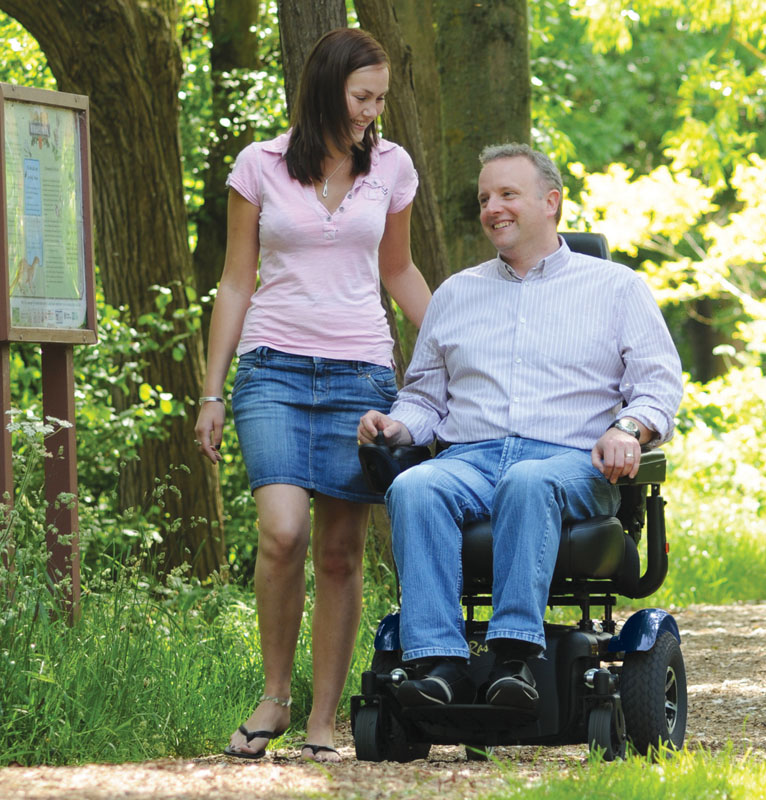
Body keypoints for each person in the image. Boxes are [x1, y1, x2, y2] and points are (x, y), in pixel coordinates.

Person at [358, 143, 682, 710]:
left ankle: (516, 660)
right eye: (485, 198)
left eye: (508, 194)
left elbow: (659, 387)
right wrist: (396, 425)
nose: (493, 208)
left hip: (572, 461)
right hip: (471, 459)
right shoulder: (457, 293)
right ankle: (439, 666)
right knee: (414, 485)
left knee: (528, 480)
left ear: (551, 202)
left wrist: (627, 428)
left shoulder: (616, 288)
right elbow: (426, 398)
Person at [195, 28, 431, 762]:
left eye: (381, 98)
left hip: (362, 374)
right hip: (273, 370)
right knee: (284, 532)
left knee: (338, 552)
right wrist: (210, 391)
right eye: (363, 96)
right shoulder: (259, 165)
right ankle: (274, 696)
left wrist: (465, 340)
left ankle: (323, 720)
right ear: (328, 88)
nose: (372, 110)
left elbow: (399, 271)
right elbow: (236, 280)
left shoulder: (392, 166)